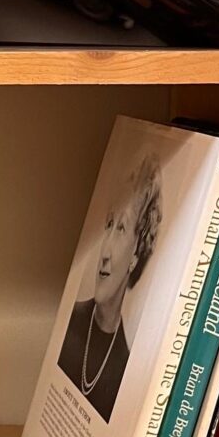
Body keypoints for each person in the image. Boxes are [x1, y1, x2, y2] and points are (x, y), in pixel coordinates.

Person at [58, 154, 163, 422]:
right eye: (108, 225)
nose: (104, 251)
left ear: (136, 256)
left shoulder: (125, 369)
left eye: (121, 229)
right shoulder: (68, 323)